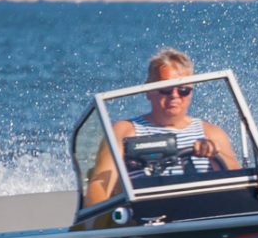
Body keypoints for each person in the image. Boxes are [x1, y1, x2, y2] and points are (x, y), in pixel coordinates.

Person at [83, 48, 240, 205]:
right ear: (148, 90)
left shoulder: (212, 133)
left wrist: (214, 154)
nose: (174, 95)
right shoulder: (124, 131)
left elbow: (238, 182)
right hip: (145, 213)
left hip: (205, 209)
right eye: (166, 89)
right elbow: (100, 185)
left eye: (183, 90)